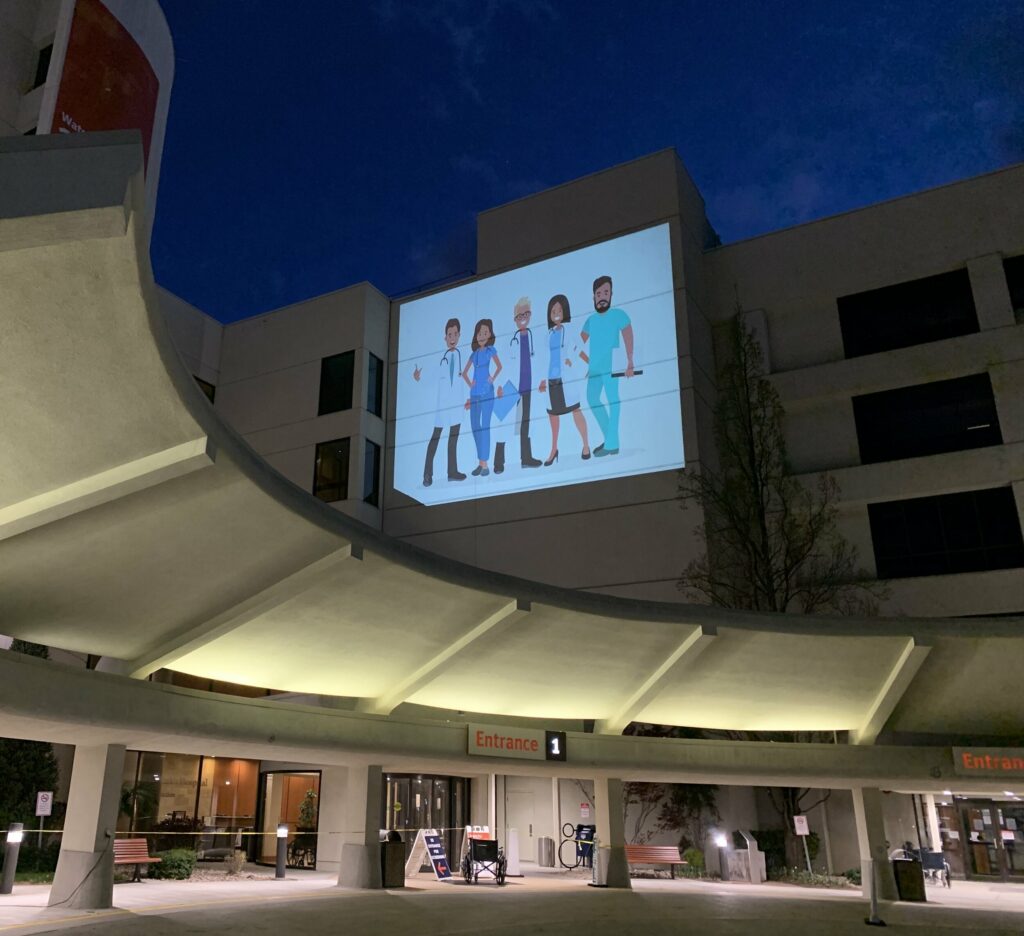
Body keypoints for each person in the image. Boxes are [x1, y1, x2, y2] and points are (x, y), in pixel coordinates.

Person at [580, 275, 634, 456]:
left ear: (611, 294)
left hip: (613, 364)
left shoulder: (618, 315)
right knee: (592, 398)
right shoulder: (590, 320)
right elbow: (578, 344)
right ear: (593, 297)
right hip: (595, 367)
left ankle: (612, 443)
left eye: (606, 292)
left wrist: (630, 361)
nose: (602, 296)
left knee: (613, 399)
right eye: (598, 293)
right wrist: (588, 362)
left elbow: (628, 335)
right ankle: (611, 440)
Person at [413, 318, 466, 486]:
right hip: (442, 407)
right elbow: (431, 379)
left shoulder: (461, 356)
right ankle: (427, 475)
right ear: (445, 337)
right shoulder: (441, 359)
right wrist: (419, 378)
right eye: (449, 334)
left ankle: (452, 472)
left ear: (459, 335)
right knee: (435, 438)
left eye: (455, 334)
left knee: (453, 440)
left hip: (457, 405)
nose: (452, 338)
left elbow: (465, 379)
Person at [538, 294, 590, 463]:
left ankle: (586, 445)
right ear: (550, 314)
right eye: (553, 311)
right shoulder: (548, 334)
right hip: (551, 379)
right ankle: (553, 450)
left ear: (565, 311)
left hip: (566, 377)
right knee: (552, 414)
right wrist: (541, 380)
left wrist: (573, 360)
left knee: (575, 409)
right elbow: (543, 359)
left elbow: (580, 348)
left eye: (560, 310)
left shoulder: (570, 329)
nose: (557, 313)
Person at [502, 296, 543, 471]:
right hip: (514, 388)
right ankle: (499, 461)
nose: (523, 318)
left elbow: (538, 361)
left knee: (526, 423)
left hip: (528, 388)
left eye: (526, 314)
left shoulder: (533, 337)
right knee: (506, 423)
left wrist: (541, 380)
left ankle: (525, 457)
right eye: (519, 316)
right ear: (515, 320)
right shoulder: (513, 341)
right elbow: (507, 365)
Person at [461, 318, 503, 476]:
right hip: (474, 393)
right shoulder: (474, 354)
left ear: (490, 334)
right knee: (474, 426)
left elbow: (499, 366)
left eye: (485, 332)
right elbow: (465, 372)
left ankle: (485, 465)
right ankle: (481, 462)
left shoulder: (491, 350)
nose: (482, 335)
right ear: (475, 336)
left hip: (487, 392)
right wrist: (469, 383)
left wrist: (492, 378)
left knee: (485, 426)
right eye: (479, 333)